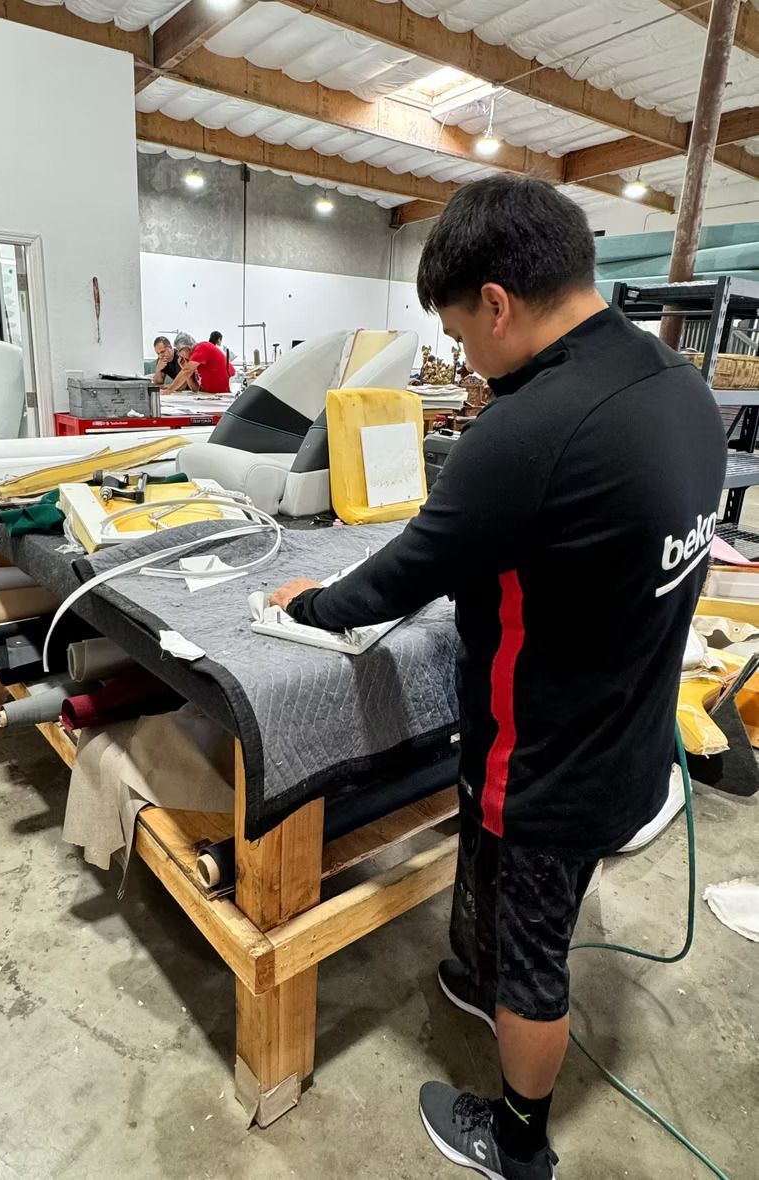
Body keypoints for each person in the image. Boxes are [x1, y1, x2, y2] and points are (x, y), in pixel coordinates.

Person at [270, 175, 726, 1180]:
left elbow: (400, 575)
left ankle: (516, 1137)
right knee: (531, 924)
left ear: (497, 303)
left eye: (462, 336)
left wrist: (301, 605)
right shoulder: (677, 386)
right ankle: (486, 985)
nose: (468, 365)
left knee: (535, 958)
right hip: (630, 739)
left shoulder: (526, 429)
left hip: (548, 763)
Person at [165, 331, 236, 395]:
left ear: (185, 349)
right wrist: (185, 369)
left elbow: (187, 370)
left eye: (178, 351)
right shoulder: (195, 362)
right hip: (214, 396)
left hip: (227, 394)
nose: (179, 355)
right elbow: (195, 389)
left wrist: (169, 390)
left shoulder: (202, 347)